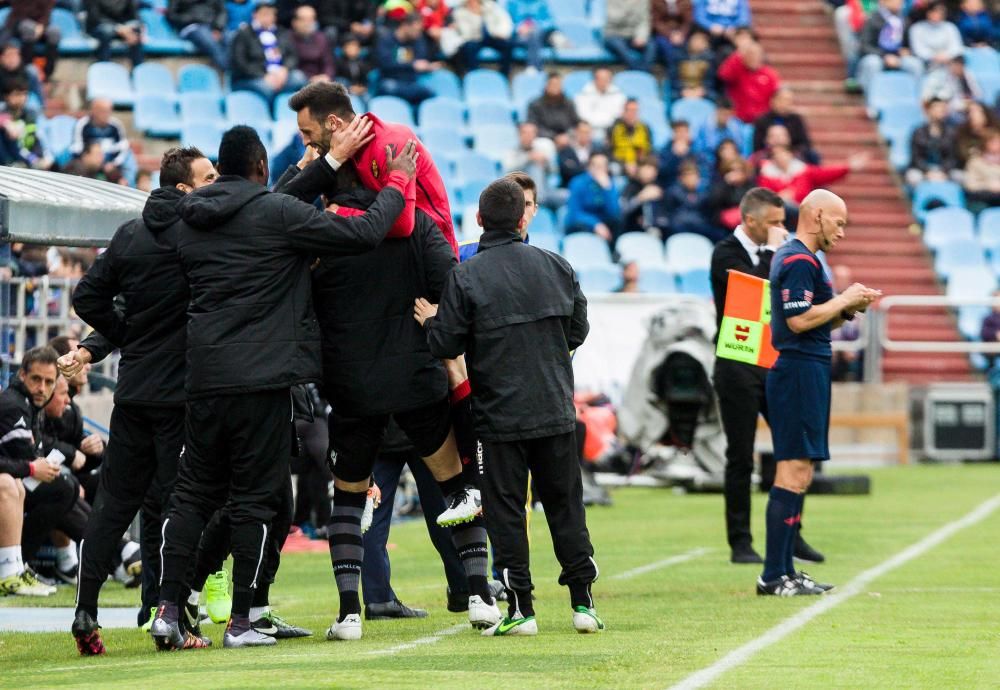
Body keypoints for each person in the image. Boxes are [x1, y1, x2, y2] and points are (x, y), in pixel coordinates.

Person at [149, 125, 415, 650]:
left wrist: (324, 164)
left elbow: (204, 211)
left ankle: (167, 609)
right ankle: (243, 621)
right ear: (262, 169)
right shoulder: (276, 213)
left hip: (203, 375)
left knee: (192, 495)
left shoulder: (192, 215)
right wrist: (398, 183)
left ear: (218, 170)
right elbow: (362, 235)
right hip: (262, 379)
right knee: (254, 500)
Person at [292, 164, 497, 639]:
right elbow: (451, 288)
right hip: (415, 377)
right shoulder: (419, 225)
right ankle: (481, 596)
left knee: (347, 498)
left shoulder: (326, 233)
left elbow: (307, 305)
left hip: (353, 384)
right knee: (456, 487)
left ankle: (348, 613)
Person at [417, 176, 603, 637]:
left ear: (479, 220)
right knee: (565, 506)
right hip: (555, 408)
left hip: (499, 416)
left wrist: (433, 322)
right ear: (523, 218)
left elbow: (446, 341)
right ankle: (583, 603)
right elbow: (577, 330)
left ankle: (522, 608)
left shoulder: (467, 274)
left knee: (505, 512)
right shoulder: (557, 265)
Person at [61, 148, 219, 655]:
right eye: (208, 178)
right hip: (180, 399)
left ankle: (86, 610)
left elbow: (87, 297)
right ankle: (171, 617)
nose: (215, 186)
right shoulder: (196, 237)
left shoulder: (129, 235)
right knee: (181, 506)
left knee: (112, 507)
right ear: (184, 189)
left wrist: (121, 334)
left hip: (133, 394)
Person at [759, 188, 879, 595]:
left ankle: (786, 570)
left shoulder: (808, 260)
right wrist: (842, 299)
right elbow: (796, 321)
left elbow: (814, 320)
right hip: (795, 371)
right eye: (839, 223)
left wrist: (846, 308)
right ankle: (773, 575)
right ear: (818, 216)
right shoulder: (795, 258)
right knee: (791, 470)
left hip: (808, 368)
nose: (841, 233)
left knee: (802, 470)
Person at [711, 187, 825, 564]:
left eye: (783, 222)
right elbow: (755, 293)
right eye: (774, 223)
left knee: (792, 450)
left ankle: (792, 534)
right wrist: (779, 253)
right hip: (737, 362)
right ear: (751, 221)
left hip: (774, 362)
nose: (781, 229)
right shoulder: (725, 253)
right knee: (740, 454)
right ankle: (740, 542)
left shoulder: (779, 253)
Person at [285, 81, 457, 253]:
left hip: (431, 255)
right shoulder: (338, 155)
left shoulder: (392, 143)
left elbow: (403, 225)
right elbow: (279, 208)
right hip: (392, 255)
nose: (305, 141)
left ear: (333, 123)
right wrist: (305, 164)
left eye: (308, 132)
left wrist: (341, 214)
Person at [0, 346, 63, 598]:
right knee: (8, 484)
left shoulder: (29, 405)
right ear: (23, 375)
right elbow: (25, 459)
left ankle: (14, 568)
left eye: (49, 382)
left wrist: (31, 466)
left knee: (13, 484)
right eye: (36, 379)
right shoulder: (13, 404)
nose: (42, 388)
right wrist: (31, 467)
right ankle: (9, 571)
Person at [229, 1, 307, 103]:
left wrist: (284, 70)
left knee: (299, 78)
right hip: (251, 78)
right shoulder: (243, 34)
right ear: (255, 15)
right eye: (265, 14)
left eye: (272, 14)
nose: (269, 17)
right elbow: (240, 63)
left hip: (280, 75)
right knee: (266, 87)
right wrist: (264, 75)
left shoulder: (281, 32)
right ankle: (271, 115)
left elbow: (292, 56)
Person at [757, 144, 869, 205]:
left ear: (790, 154)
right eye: (776, 155)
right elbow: (763, 198)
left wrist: (848, 166)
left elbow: (826, 173)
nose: (780, 157)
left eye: (783, 153)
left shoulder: (803, 170)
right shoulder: (766, 175)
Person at [372, 13, 440, 106]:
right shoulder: (386, 40)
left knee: (429, 94)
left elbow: (421, 60)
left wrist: (427, 66)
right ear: (405, 25)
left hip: (410, 82)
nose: (418, 34)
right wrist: (412, 65)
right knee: (388, 87)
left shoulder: (417, 41)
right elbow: (385, 64)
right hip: (390, 80)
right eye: (416, 30)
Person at [856, 0, 924, 92]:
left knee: (915, 64)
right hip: (877, 56)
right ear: (884, 2)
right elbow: (864, 46)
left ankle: (917, 100)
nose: (899, 3)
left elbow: (908, 45)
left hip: (897, 58)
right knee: (872, 63)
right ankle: (870, 102)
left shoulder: (904, 20)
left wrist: (906, 51)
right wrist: (884, 56)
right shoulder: (872, 18)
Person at [717, 41, 781, 124]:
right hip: (737, 120)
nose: (753, 58)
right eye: (750, 54)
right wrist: (737, 55)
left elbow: (776, 96)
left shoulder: (770, 74)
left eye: (756, 55)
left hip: (761, 121)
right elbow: (723, 75)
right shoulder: (737, 69)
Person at [565, 152, 621, 243]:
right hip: (582, 223)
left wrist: (607, 190)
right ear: (589, 167)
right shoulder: (578, 182)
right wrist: (595, 224)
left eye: (603, 165)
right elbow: (575, 212)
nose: (600, 169)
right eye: (596, 165)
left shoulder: (609, 184)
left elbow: (614, 213)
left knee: (617, 222)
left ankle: (613, 255)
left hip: (603, 223)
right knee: (582, 227)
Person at [69, 99, 132, 180]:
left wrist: (113, 163)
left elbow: (123, 148)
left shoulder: (116, 126)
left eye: (108, 111)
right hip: (88, 161)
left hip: (110, 163)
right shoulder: (82, 124)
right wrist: (89, 159)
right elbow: (76, 148)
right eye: (103, 111)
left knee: (127, 164)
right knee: (77, 166)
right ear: (94, 111)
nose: (106, 114)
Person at [450, 0, 515, 76]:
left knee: (508, 45)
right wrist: (476, 15)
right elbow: (466, 34)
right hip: (473, 38)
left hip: (492, 36)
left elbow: (503, 22)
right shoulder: (459, 12)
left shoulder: (490, 7)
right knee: (469, 47)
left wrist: (499, 33)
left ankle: (504, 76)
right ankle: (474, 75)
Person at [752, 88, 817, 164]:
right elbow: (758, 145)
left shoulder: (796, 119)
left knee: (813, 155)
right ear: (772, 101)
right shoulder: (762, 120)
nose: (784, 104)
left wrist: (789, 153)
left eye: (788, 101)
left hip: (792, 153)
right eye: (781, 100)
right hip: (769, 154)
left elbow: (805, 143)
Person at [665, 162, 725, 242]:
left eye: (694, 175)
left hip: (701, 227)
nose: (691, 178)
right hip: (681, 228)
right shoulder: (673, 192)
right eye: (688, 175)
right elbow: (669, 214)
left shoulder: (705, 193)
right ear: (681, 178)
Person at [905, 97, 960, 186]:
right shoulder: (918, 132)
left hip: (945, 171)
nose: (940, 110)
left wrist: (943, 171)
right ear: (929, 110)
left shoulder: (952, 132)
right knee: (914, 177)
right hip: (922, 170)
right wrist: (928, 172)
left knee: (959, 177)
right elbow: (916, 158)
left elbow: (953, 157)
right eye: (937, 107)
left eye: (943, 108)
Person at [0, 78, 52, 169]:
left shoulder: (30, 115)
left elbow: (37, 140)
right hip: (8, 160)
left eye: (24, 94)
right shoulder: (2, 110)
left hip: (27, 157)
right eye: (17, 94)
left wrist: (40, 158)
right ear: (6, 96)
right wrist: (6, 124)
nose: (21, 98)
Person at [1, 0, 60, 80]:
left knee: (55, 32)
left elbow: (47, 12)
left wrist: (41, 25)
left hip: (41, 24)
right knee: (29, 29)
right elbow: (19, 12)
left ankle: (47, 73)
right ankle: (27, 69)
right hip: (19, 22)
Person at [166, 0, 228, 70]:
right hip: (191, 26)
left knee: (230, 39)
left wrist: (218, 28)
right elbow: (171, 15)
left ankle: (235, 74)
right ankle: (229, 72)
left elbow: (221, 11)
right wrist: (191, 18)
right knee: (212, 43)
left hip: (213, 26)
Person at [908, 1, 964, 72]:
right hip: (926, 63)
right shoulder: (917, 28)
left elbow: (957, 47)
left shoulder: (950, 27)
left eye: (941, 12)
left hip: (948, 61)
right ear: (928, 12)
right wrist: (933, 56)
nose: (937, 14)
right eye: (934, 11)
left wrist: (946, 56)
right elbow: (918, 49)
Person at [85, 0, 145, 66]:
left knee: (136, 29)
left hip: (124, 27)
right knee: (106, 32)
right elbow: (95, 18)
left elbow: (134, 16)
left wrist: (129, 28)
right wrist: (118, 28)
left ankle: (138, 68)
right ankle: (104, 66)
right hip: (99, 26)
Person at [526, 72, 580, 143]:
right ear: (546, 85)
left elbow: (575, 123)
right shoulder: (535, 104)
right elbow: (533, 127)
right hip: (544, 138)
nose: (555, 87)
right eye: (553, 84)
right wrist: (554, 137)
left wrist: (568, 135)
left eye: (558, 84)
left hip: (566, 138)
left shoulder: (568, 103)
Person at [573, 67, 627, 137]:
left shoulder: (620, 96)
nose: (603, 81)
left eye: (606, 79)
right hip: (589, 132)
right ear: (594, 79)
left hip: (612, 130)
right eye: (600, 78)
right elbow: (582, 116)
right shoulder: (582, 96)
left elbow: (620, 116)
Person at [666, 28, 717, 101]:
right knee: (673, 95)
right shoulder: (678, 56)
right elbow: (673, 77)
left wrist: (701, 90)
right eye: (695, 39)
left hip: (701, 90)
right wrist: (683, 90)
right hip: (681, 89)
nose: (697, 43)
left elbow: (710, 80)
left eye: (701, 41)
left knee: (713, 96)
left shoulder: (710, 58)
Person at [604, 0, 654, 71]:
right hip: (614, 33)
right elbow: (614, 19)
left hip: (633, 34)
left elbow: (644, 21)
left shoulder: (643, 1)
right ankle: (635, 70)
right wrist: (630, 6)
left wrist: (641, 36)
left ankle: (645, 71)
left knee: (651, 45)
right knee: (619, 46)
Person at [289, 4, 335, 82]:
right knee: (297, 77)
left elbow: (328, 63)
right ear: (294, 22)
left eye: (311, 19)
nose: (307, 23)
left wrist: (326, 76)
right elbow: (291, 64)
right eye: (303, 19)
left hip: (320, 79)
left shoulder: (321, 38)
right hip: (300, 79)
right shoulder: (287, 38)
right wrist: (310, 78)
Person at [609, 98, 653, 178]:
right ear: (623, 112)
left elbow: (650, 151)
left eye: (635, 111)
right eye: (629, 110)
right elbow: (608, 152)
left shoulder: (645, 128)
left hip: (639, 166)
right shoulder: (614, 128)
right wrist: (625, 164)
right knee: (614, 168)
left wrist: (642, 163)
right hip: (620, 165)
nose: (632, 114)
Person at [556, 120, 604, 187]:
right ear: (576, 132)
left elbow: (603, 169)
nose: (584, 135)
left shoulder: (597, 151)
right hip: (569, 187)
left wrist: (576, 166)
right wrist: (590, 169)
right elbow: (567, 171)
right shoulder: (566, 150)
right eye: (582, 132)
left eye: (587, 132)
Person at [963, 127, 1000, 207]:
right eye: (993, 141)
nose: (997, 143)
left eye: (998, 141)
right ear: (985, 143)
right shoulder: (975, 162)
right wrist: (988, 185)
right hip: (983, 199)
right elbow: (970, 185)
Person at [651, 0, 693, 66]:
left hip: (681, 32)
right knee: (667, 48)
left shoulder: (685, 1)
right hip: (663, 33)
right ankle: (672, 72)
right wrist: (670, 34)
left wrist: (681, 34)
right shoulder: (656, 1)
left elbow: (688, 21)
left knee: (686, 47)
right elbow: (656, 21)